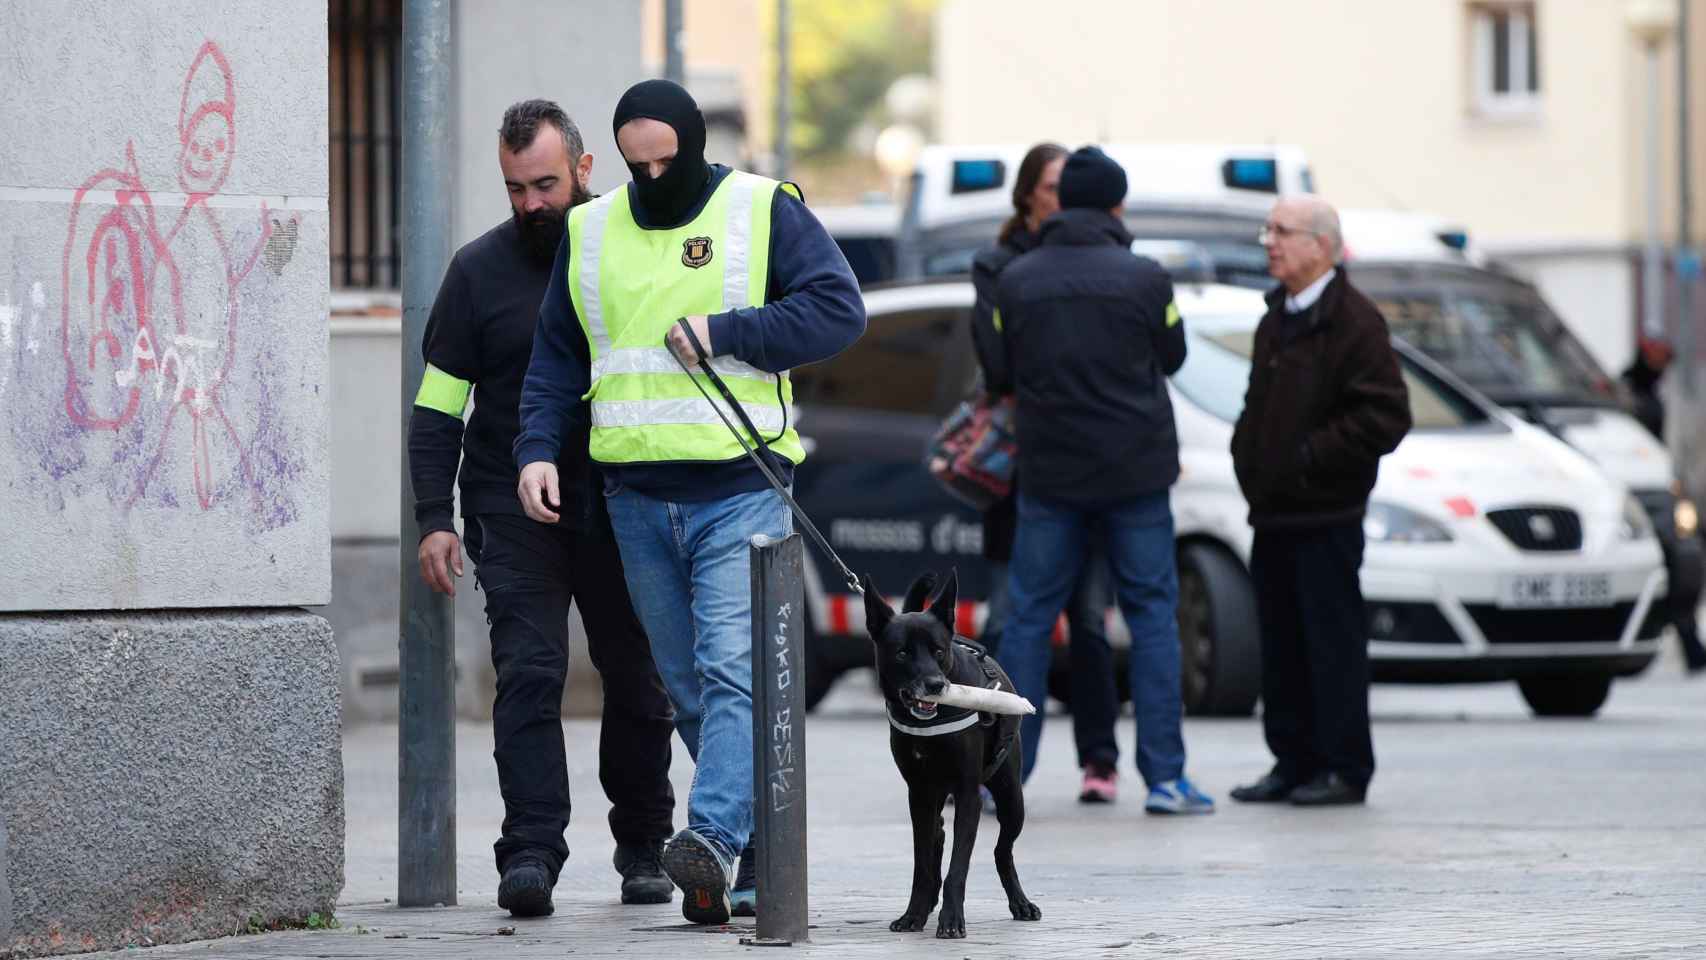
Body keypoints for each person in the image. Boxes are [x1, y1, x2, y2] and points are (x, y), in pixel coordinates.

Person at [514, 79, 864, 925]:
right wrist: (533, 450)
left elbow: (838, 312)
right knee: (689, 688)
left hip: (740, 487)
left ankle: (708, 835)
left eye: (669, 159)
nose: (654, 174)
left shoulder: (761, 208)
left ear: (697, 144)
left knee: (733, 675)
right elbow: (558, 355)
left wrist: (728, 330)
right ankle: (747, 862)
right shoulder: (591, 232)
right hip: (634, 497)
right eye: (638, 164)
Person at [409, 100, 678, 917]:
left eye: (546, 184)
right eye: (515, 187)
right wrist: (433, 516)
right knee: (529, 674)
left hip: (619, 494)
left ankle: (643, 847)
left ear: (585, 171)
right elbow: (437, 407)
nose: (530, 203)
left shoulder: (628, 251)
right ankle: (530, 852)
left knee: (635, 675)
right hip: (510, 503)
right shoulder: (476, 273)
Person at [989, 146, 1213, 816]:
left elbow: (1000, 369)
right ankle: (1167, 780)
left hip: (1051, 475)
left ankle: (1005, 779)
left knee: (1027, 620)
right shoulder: (1147, 279)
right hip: (1136, 475)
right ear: (1117, 205)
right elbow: (1173, 355)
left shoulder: (1017, 281)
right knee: (1151, 619)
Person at [1228, 196, 1412, 808]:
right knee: (1281, 644)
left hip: (1325, 513)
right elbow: (1259, 407)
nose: (1269, 242)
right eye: (1269, 230)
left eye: (1282, 232)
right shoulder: (1276, 316)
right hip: (1274, 511)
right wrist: (1249, 457)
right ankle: (1292, 760)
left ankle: (1342, 766)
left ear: (1321, 246)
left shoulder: (1354, 321)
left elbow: (1386, 415)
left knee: (1329, 643)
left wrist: (1309, 458)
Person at [970, 142, 1123, 804]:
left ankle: (1100, 760)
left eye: (1072, 186)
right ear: (1029, 192)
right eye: (1054, 184)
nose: (1063, 197)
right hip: (1022, 470)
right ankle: (987, 755)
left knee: (1089, 619)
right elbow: (997, 362)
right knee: (1008, 620)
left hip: (1088, 463)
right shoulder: (1001, 266)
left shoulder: (1105, 261)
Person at [1619, 337, 1706, 674]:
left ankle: (1690, 643)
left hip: (1659, 491)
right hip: (1634, 496)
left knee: (1682, 566)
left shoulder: (1653, 394)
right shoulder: (1626, 394)